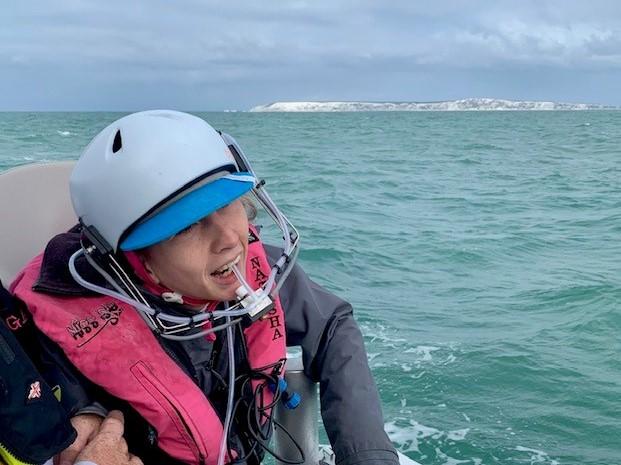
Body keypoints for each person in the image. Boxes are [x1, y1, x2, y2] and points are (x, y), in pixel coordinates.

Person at [10, 111, 398, 465]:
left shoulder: (255, 268)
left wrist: (369, 456)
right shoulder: (53, 334)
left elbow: (331, 324)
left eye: (228, 203)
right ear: (137, 258)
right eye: (186, 226)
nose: (231, 239)